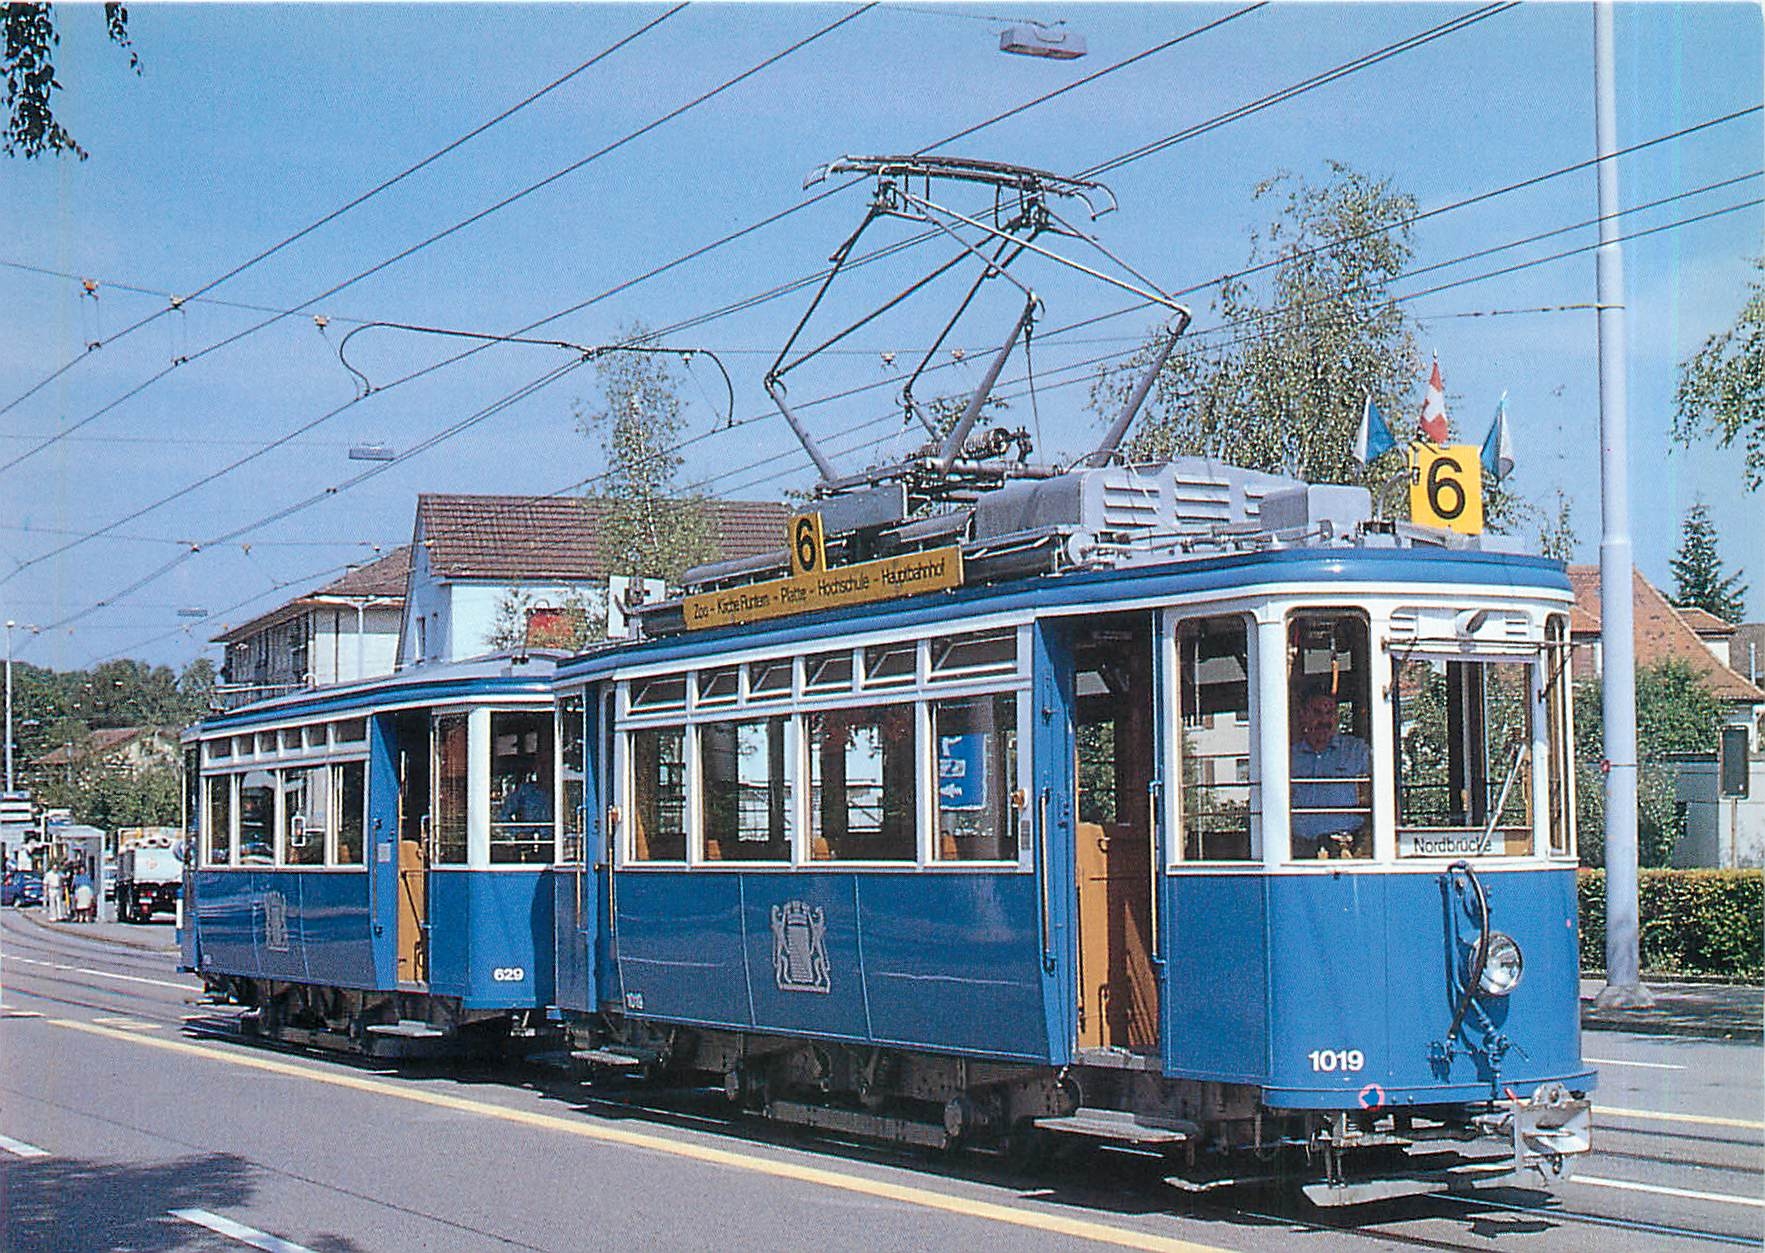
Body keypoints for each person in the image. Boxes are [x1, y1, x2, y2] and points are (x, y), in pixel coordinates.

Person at [1290, 684, 1372, 859]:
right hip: (1299, 852)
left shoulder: (1356, 751)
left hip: (1346, 850)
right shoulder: (1289, 757)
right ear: (1303, 716)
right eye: (1317, 713)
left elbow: (1382, 793)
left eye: (1330, 713)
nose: (1324, 721)